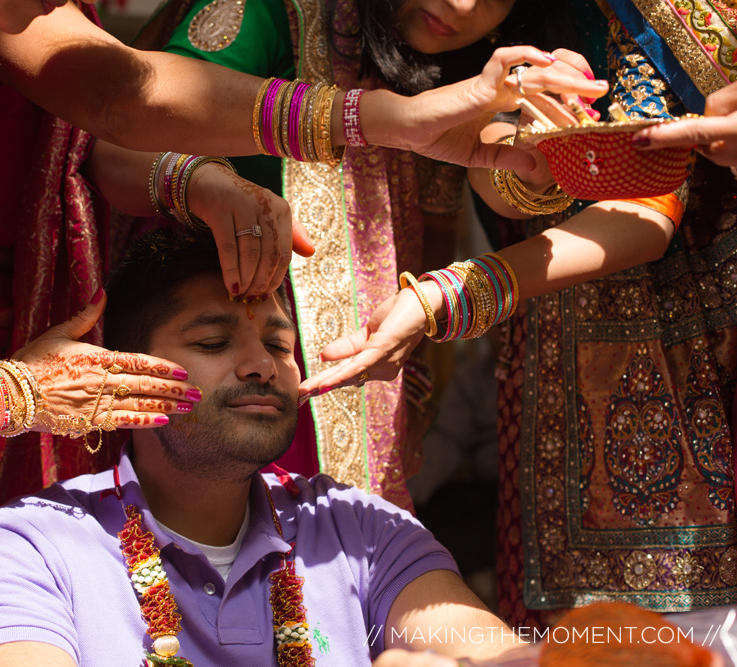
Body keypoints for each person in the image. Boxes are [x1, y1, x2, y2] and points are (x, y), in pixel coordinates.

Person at [302, 0, 737, 629]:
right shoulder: (442, 52)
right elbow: (502, 169)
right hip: (552, 396)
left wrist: (452, 295)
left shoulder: (623, 19)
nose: (458, 2)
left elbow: (647, 189)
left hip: (689, 375)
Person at [0, 228, 523, 666]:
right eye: (214, 341)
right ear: (126, 370)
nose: (260, 367)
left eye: (279, 344)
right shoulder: (36, 546)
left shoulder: (359, 529)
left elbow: (492, 653)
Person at [124, 0, 599, 508]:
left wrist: (539, 151)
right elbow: (125, 131)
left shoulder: (476, 66)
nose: (460, 6)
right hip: (216, 365)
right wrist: (204, 183)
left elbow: (465, 202)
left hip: (355, 372)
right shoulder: (277, 13)